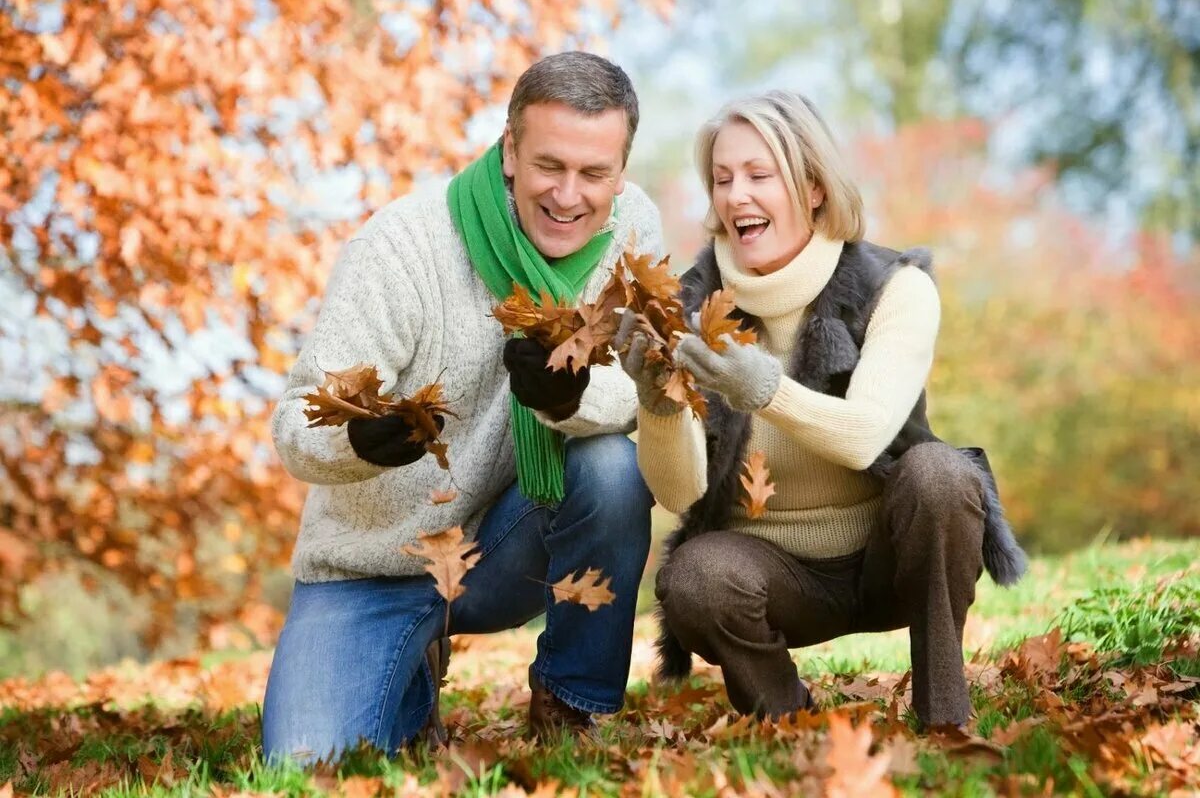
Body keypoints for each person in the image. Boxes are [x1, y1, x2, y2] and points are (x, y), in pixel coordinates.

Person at [263, 51, 663, 763]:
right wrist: (359, 441)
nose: (569, 195)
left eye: (594, 173)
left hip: (506, 546)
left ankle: (572, 700)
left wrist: (572, 397)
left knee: (611, 469)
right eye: (549, 165)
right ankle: (411, 668)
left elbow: (641, 388)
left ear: (622, 171)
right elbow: (296, 426)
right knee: (308, 758)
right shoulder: (406, 244)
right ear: (510, 151)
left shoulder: (632, 231)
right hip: (375, 560)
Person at [616, 91, 1026, 730]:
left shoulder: (898, 288)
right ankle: (787, 719)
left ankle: (945, 716)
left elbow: (864, 437)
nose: (735, 195)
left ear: (812, 187)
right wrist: (654, 401)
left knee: (942, 476)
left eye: (759, 174)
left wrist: (764, 388)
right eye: (722, 179)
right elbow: (679, 491)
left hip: (892, 553)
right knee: (694, 577)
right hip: (770, 575)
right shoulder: (689, 309)